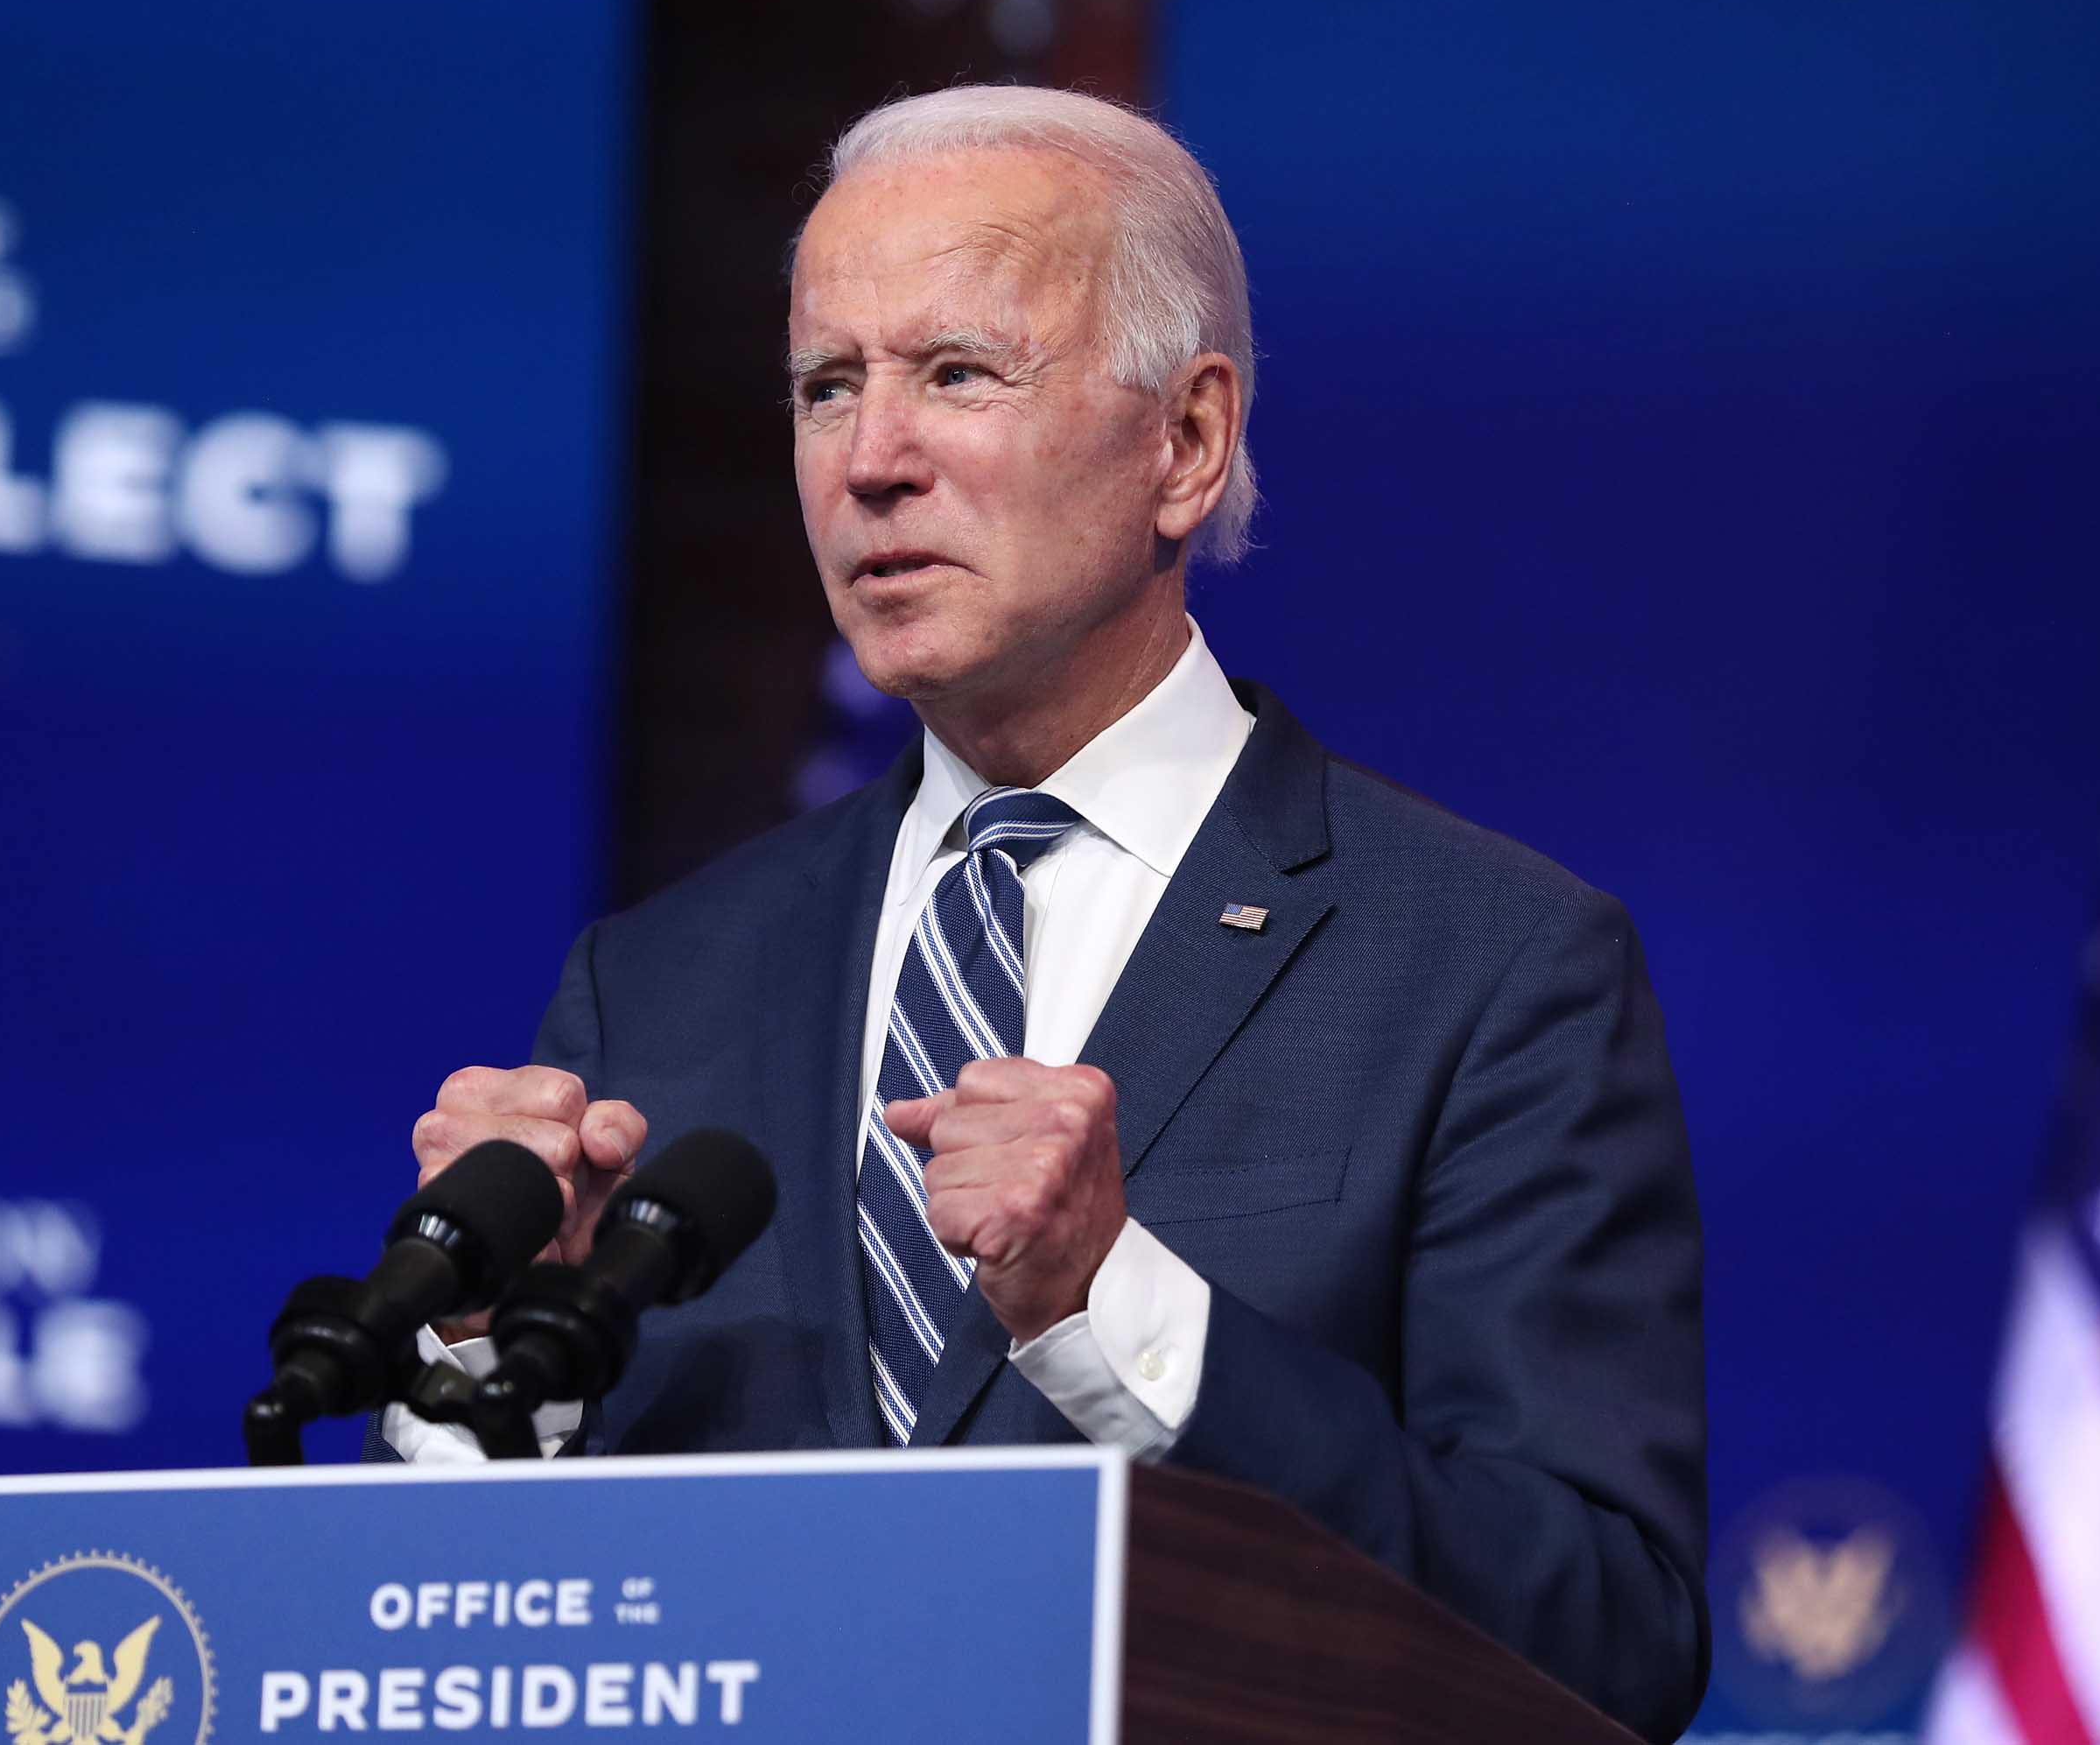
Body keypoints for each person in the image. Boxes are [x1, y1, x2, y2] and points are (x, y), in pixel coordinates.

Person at [376, 85, 1707, 1740]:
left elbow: (1602, 1638)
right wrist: (500, 1351)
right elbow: (505, 1645)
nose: (871, 461)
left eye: (956, 374)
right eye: (825, 386)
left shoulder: (1491, 967)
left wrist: (1114, 1310)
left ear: (1188, 439)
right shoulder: (657, 981)